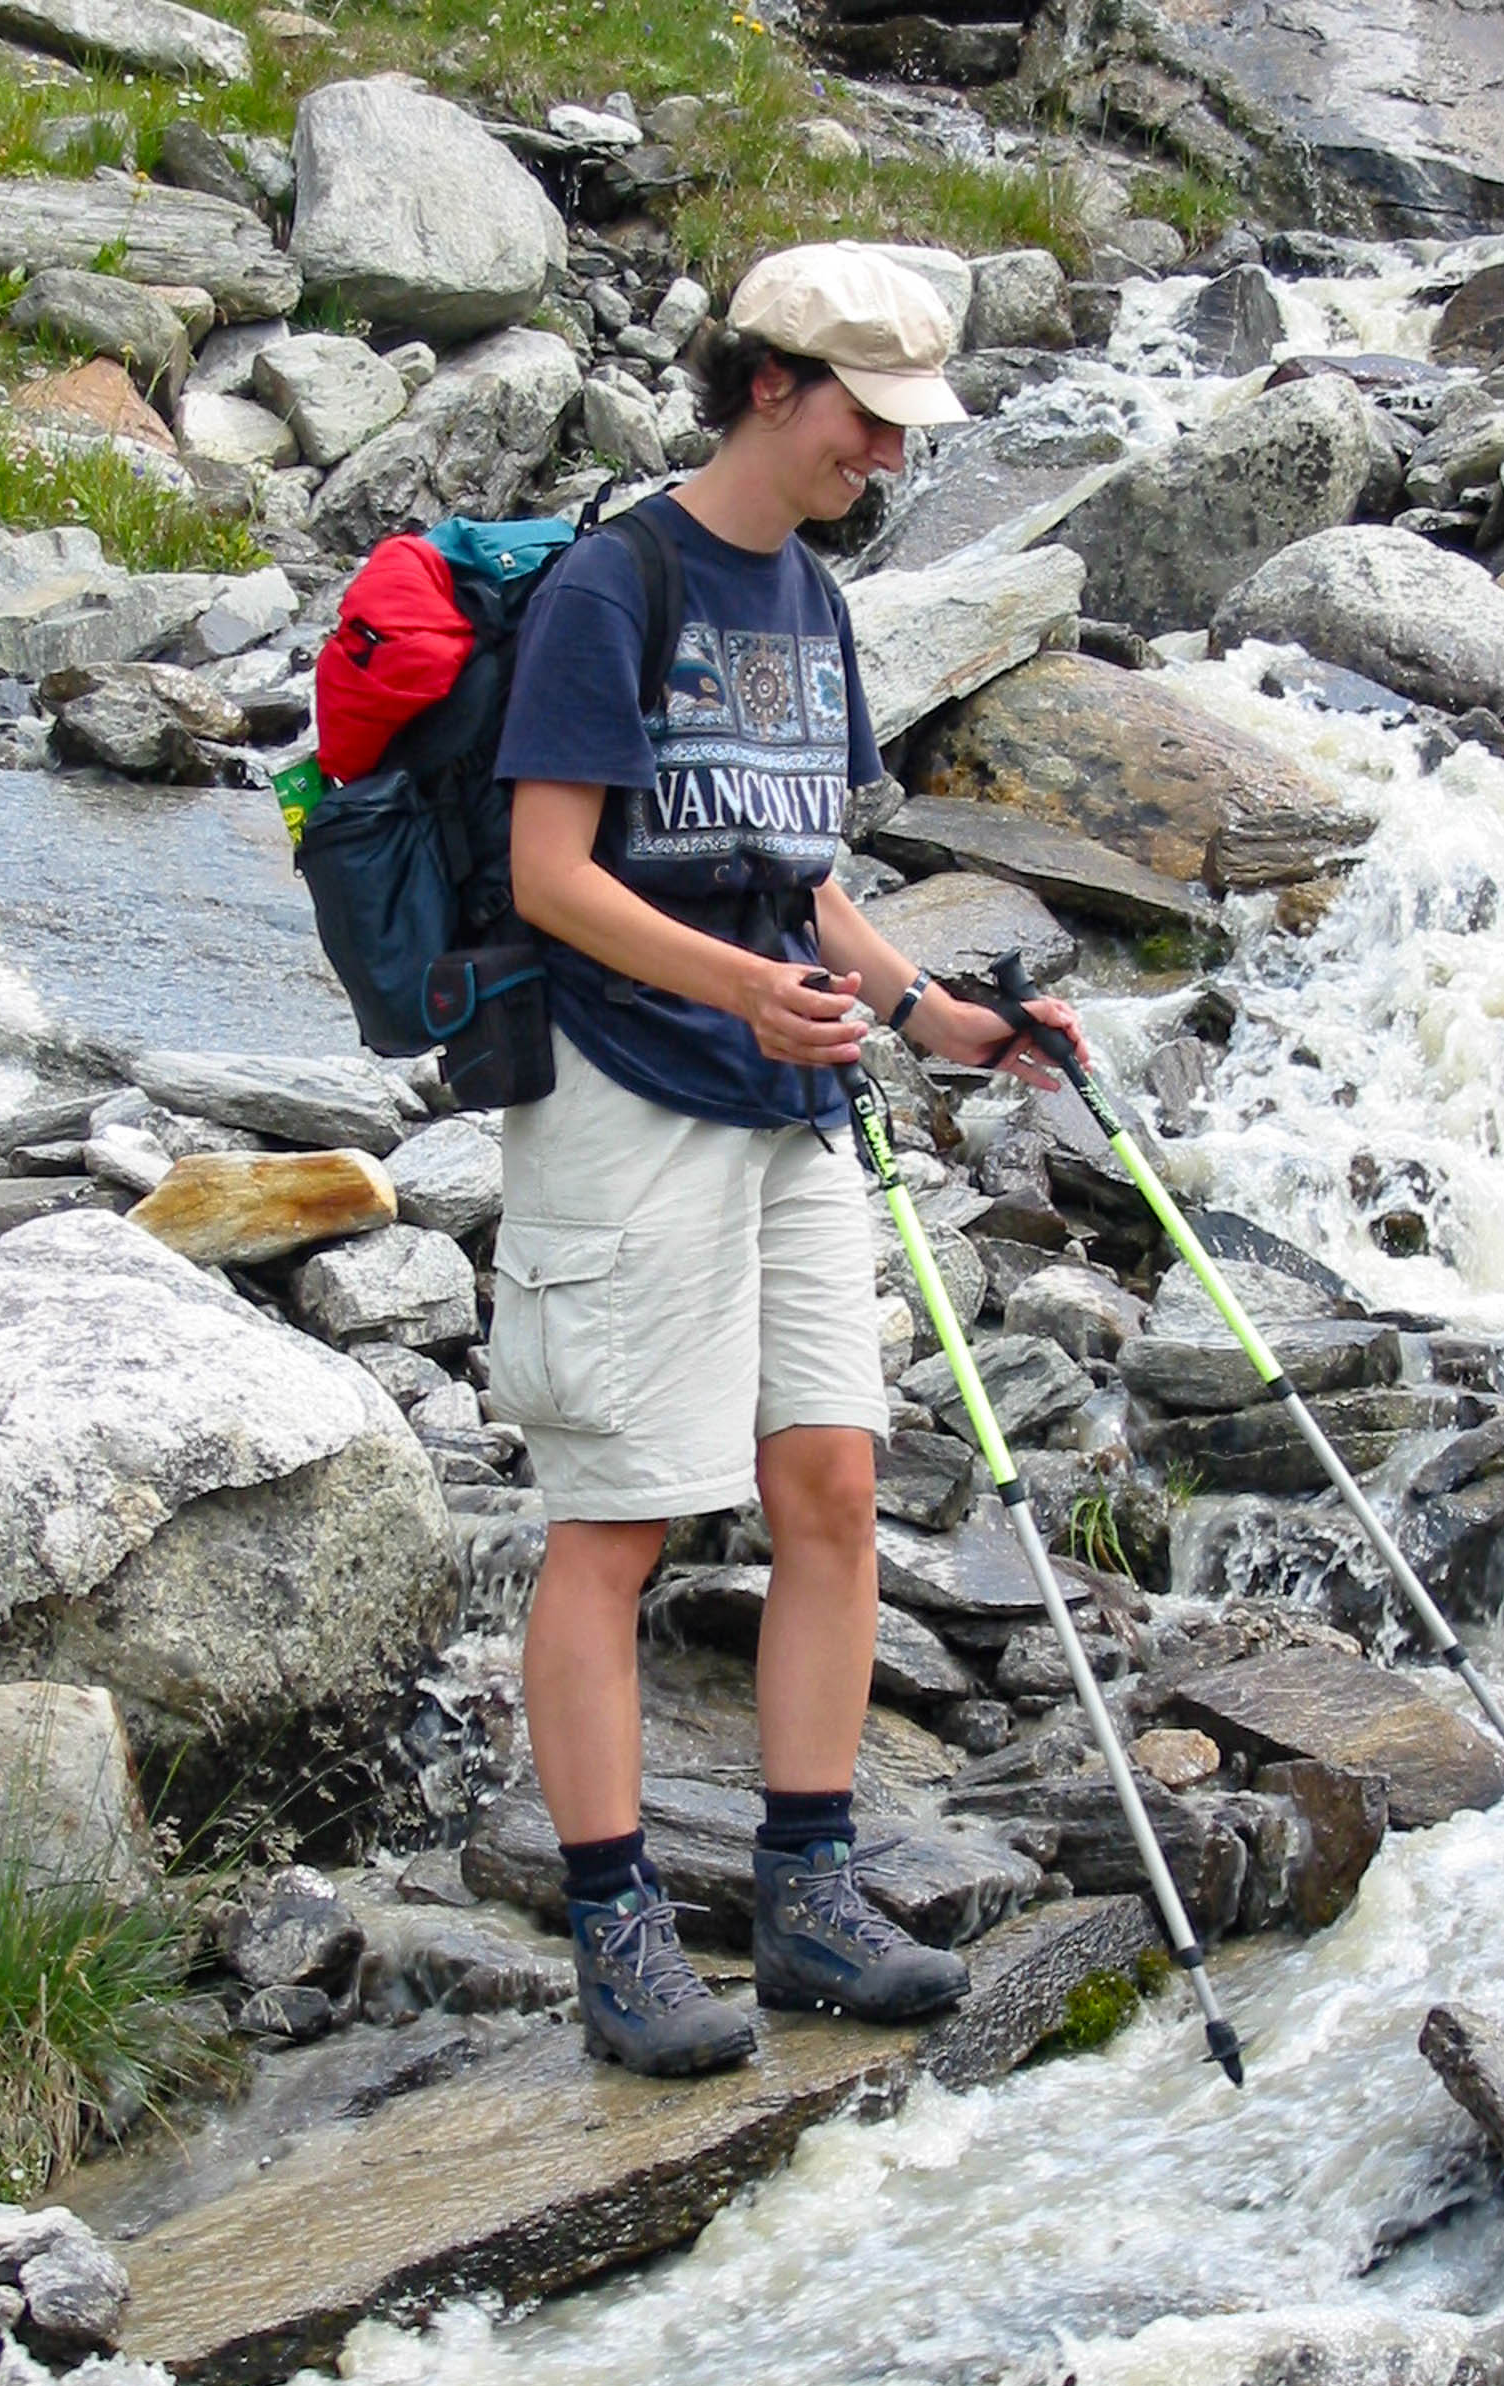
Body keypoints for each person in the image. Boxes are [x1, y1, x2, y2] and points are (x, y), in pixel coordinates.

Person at [491, 241, 1087, 2079]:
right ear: (769, 384)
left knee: (829, 1482)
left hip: (794, 1098)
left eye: (906, 430)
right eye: (868, 420)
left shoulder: (813, 604)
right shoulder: (616, 584)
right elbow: (549, 875)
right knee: (618, 1517)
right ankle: (618, 1935)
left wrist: (932, 1015)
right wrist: (743, 991)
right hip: (625, 1091)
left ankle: (812, 1897)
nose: (888, 458)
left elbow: (800, 877)